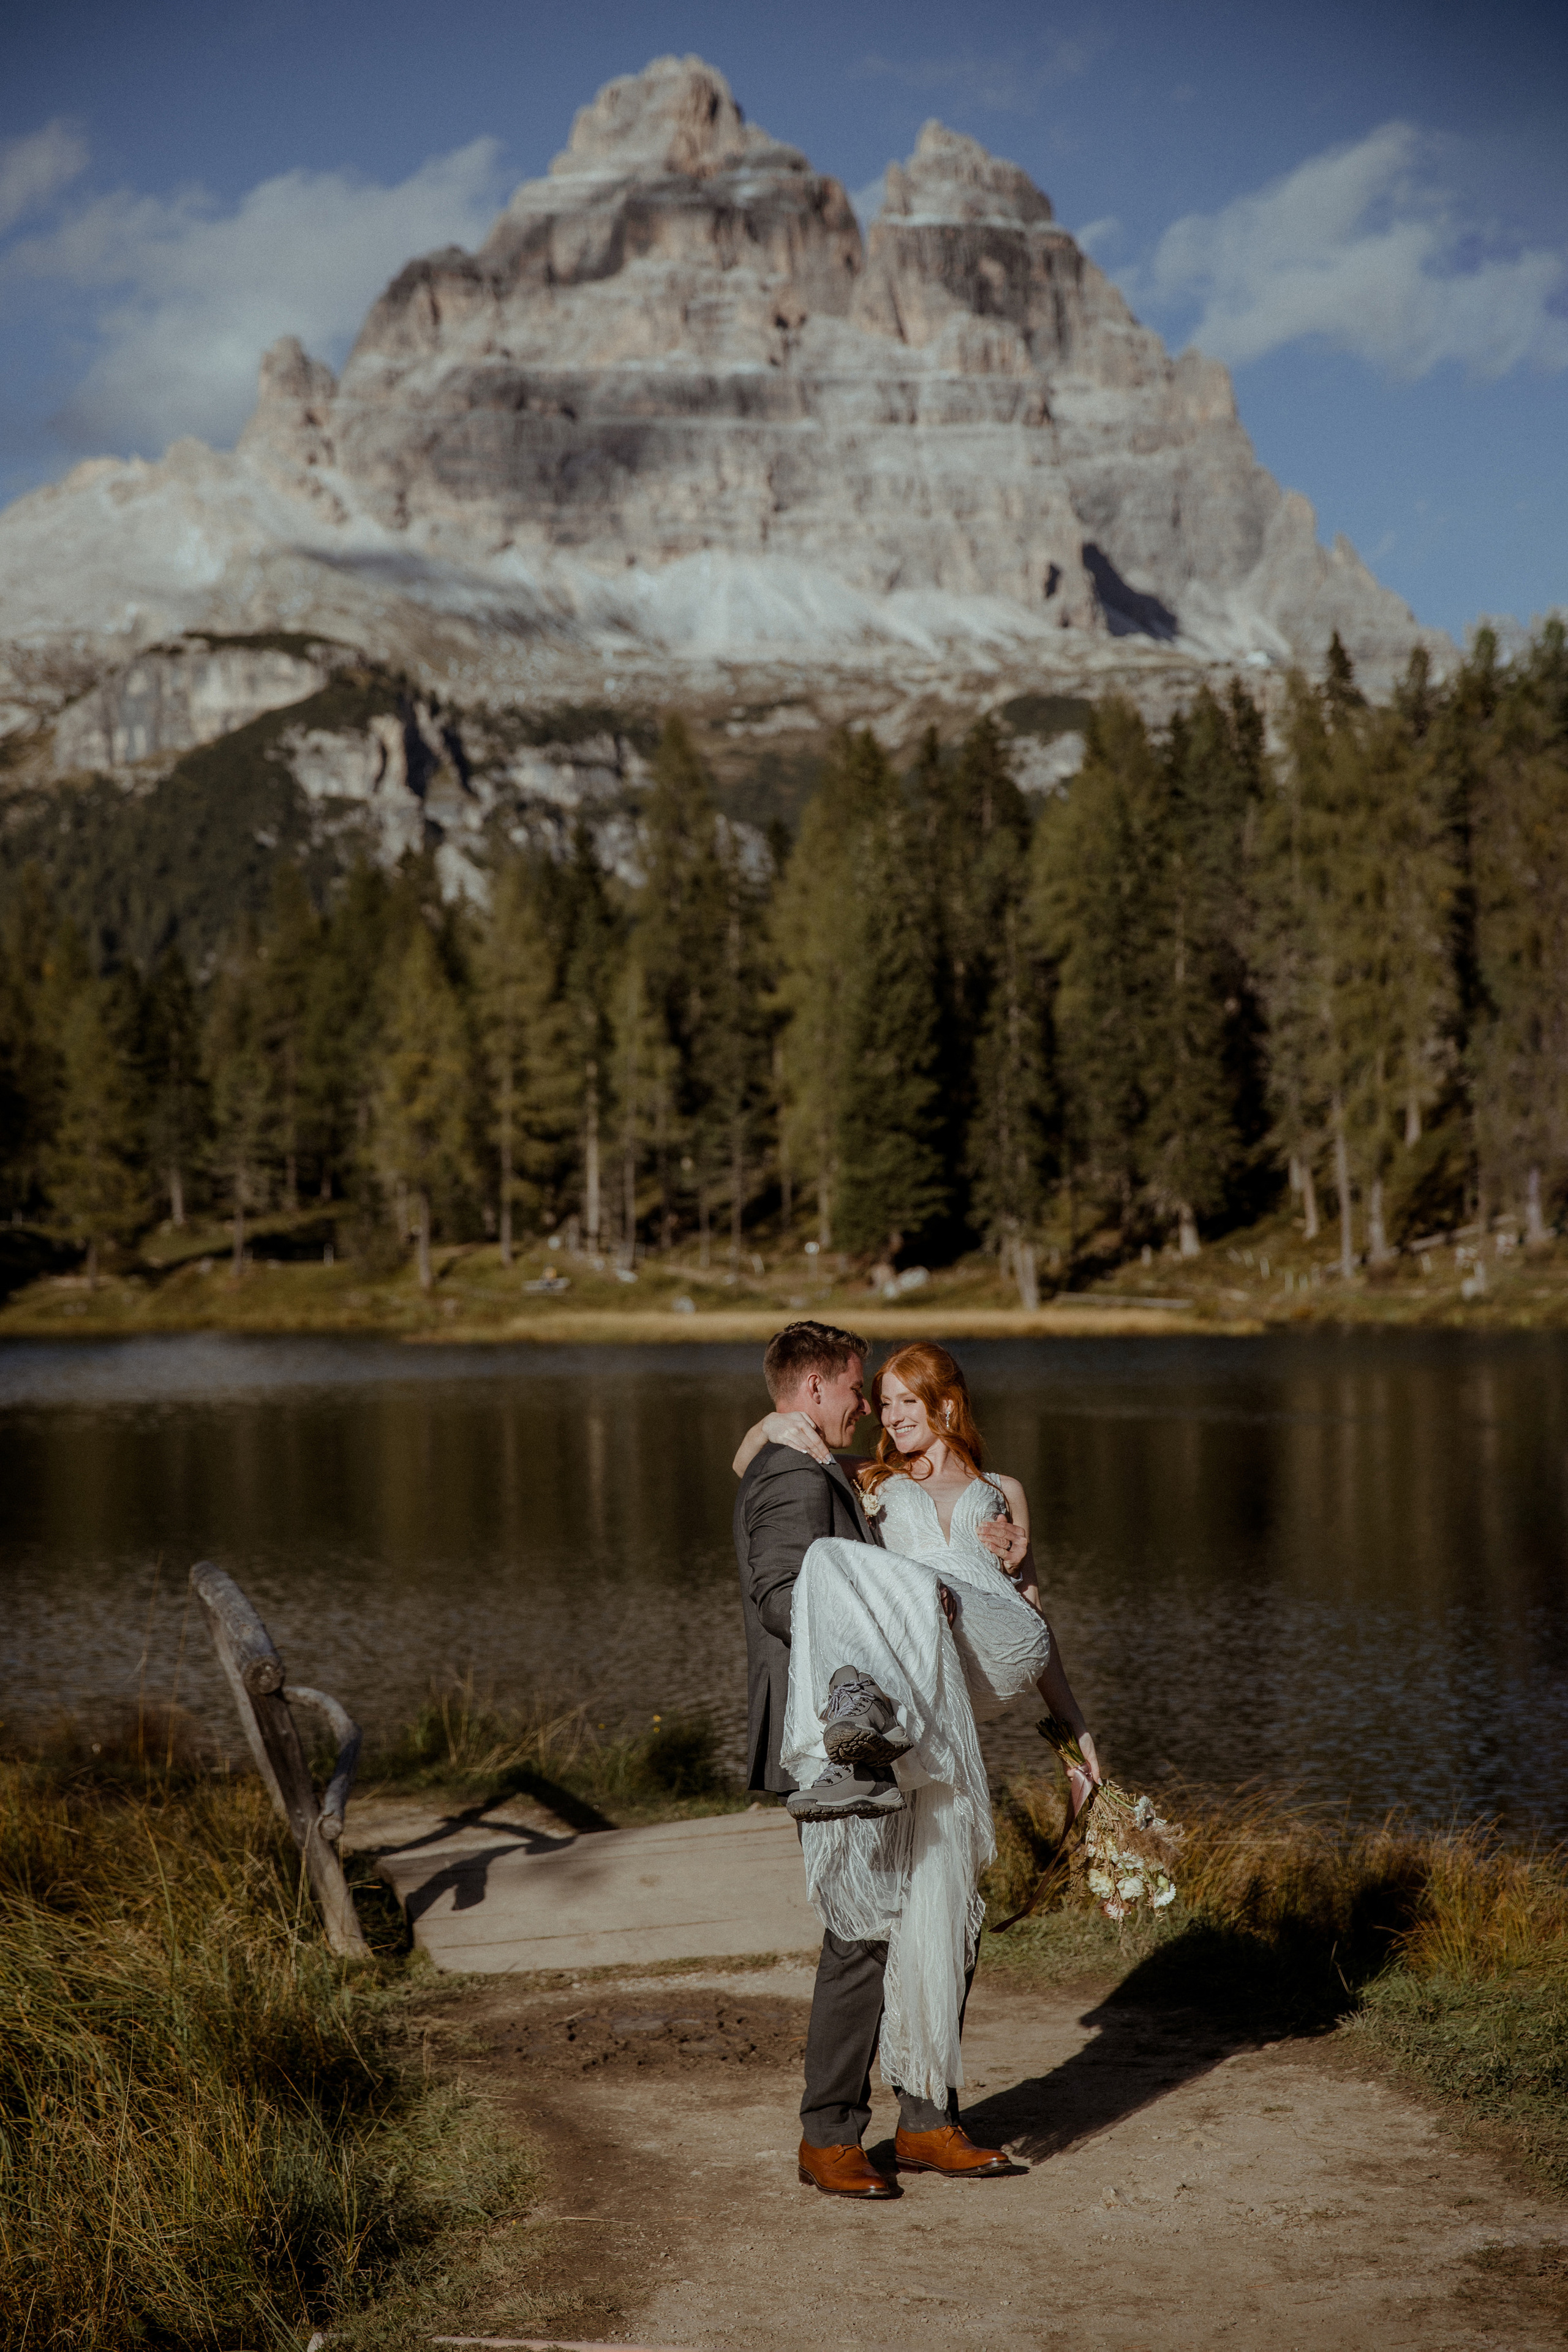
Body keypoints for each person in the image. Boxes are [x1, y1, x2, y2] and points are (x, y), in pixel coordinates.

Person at [732, 1326, 1099, 2199]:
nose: (874, 1409)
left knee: (945, 1917)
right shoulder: (826, 1473)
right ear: (815, 1389)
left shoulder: (977, 1493)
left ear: (946, 1405)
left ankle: (929, 2120)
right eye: (866, 1391)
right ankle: (829, 2136)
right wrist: (768, 1426)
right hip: (855, 1733)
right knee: (862, 1931)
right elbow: (785, 1590)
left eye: (898, 1399)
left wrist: (1075, 1734)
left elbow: (1025, 1611)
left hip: (935, 1728)